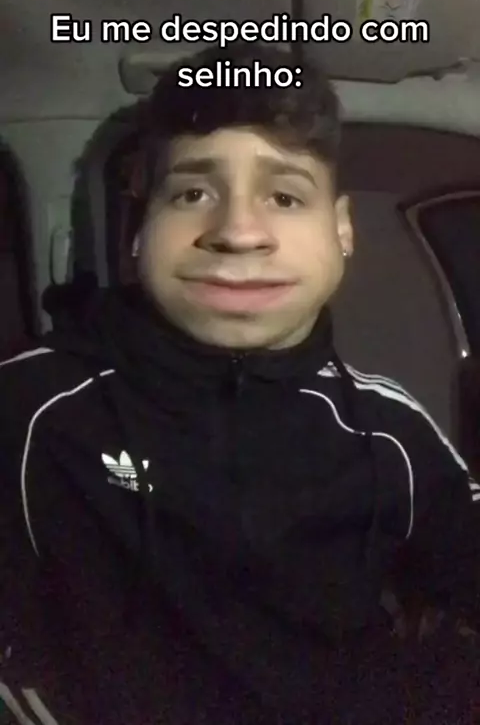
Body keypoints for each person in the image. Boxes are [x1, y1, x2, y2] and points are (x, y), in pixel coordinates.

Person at [0, 44, 479, 725]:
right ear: (141, 229)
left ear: (342, 230)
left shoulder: (391, 429)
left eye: (285, 196)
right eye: (192, 193)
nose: (238, 233)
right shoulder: (28, 412)